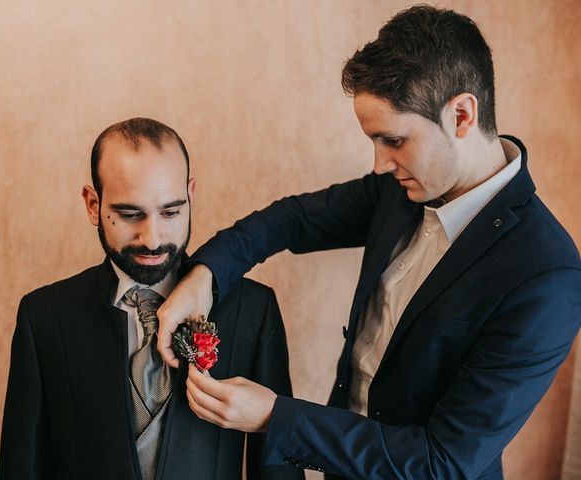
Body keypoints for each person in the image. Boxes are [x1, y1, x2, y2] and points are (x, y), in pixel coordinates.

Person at [156, 6, 581, 480]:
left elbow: (443, 461)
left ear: (461, 115)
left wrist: (277, 417)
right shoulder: (402, 189)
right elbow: (290, 221)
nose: (379, 164)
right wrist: (204, 277)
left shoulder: (547, 276)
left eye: (393, 140)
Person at [0, 118, 303, 480]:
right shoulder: (45, 316)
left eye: (171, 211)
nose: (153, 239)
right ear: (93, 204)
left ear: (191, 195)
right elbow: (23, 466)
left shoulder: (254, 310)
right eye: (130, 214)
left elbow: (277, 467)